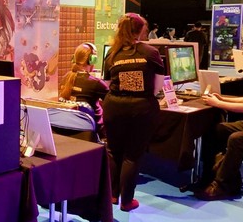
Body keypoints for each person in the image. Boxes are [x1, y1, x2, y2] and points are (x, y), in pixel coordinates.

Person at [194, 42, 243, 200]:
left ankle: (221, 186)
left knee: (237, 139)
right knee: (218, 130)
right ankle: (218, 176)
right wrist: (222, 98)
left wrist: (218, 104)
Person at [102, 13, 165, 211]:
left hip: (114, 107)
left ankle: (112, 196)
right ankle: (127, 201)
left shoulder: (112, 54)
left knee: (113, 151)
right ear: (141, 30)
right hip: (141, 109)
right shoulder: (151, 52)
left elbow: (107, 84)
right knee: (132, 155)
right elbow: (157, 87)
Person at [59, 43, 108, 135]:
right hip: (92, 130)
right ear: (92, 60)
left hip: (70, 129)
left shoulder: (66, 78)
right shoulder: (96, 83)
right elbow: (112, 103)